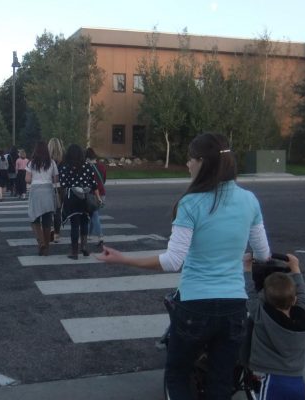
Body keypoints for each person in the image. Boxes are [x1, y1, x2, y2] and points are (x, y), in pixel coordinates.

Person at [96, 133, 271, 399]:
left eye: (190, 159)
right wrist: (238, 259)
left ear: (202, 162)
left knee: (178, 375)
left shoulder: (191, 203)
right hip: (234, 307)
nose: (188, 165)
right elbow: (263, 253)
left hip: (195, 306)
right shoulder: (249, 200)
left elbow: (172, 261)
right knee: (221, 382)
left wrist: (123, 258)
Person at [244, 253, 305, 400]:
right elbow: (302, 291)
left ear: (264, 299)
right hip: (297, 380)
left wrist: (247, 267)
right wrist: (295, 267)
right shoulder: (304, 317)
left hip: (271, 380)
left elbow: (249, 292)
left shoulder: (261, 314)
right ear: (294, 300)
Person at [59, 143, 99, 260]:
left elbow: (63, 184)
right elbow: (93, 183)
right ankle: (85, 247)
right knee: (84, 222)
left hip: (72, 198)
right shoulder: (88, 166)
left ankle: (74, 252)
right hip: (85, 198)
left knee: (74, 225)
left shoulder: (66, 167)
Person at [26, 141, 59, 256]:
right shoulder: (52, 162)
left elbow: (27, 179)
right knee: (47, 221)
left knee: (34, 218)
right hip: (48, 191)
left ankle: (41, 243)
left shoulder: (31, 163)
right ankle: (46, 249)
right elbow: (56, 179)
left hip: (36, 191)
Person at [86, 147, 107, 249]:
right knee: (94, 215)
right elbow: (104, 180)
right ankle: (89, 235)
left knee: (94, 215)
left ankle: (100, 237)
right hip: (102, 193)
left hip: (92, 194)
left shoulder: (88, 167)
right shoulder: (102, 166)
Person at [47, 138, 65, 243]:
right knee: (58, 211)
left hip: (49, 187)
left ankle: (50, 230)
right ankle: (57, 234)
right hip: (60, 188)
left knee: (48, 211)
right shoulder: (64, 159)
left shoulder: (47, 159)